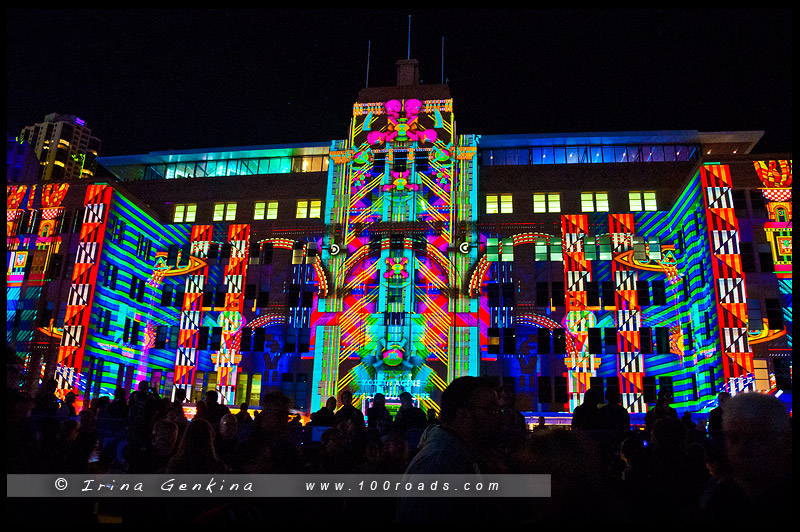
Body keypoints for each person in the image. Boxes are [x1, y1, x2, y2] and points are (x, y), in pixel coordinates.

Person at [396, 376, 503, 522]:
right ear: (462, 414)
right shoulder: (438, 465)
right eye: (491, 410)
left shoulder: (453, 454)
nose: (499, 418)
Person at [701, 392, 792, 521]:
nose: (742, 448)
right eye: (734, 438)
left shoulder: (717, 497)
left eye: (757, 438)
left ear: (784, 440)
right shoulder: (718, 498)